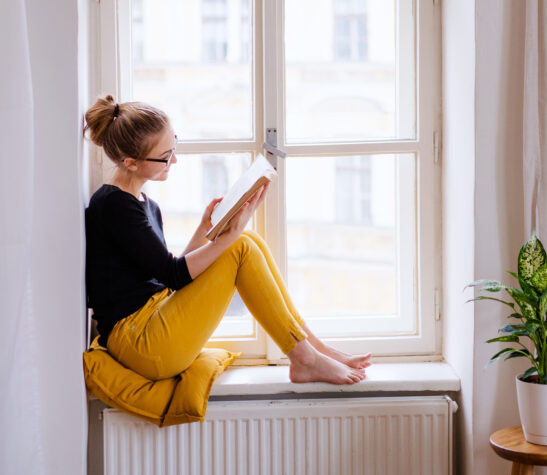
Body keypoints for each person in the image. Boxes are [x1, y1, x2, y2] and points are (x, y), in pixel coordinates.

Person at [84, 95, 371, 385]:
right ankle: (305, 359)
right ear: (131, 163)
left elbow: (163, 276)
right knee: (241, 245)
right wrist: (227, 238)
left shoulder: (142, 202)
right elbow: (173, 274)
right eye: (165, 156)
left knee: (249, 240)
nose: (175, 160)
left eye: (174, 146)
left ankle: (314, 349)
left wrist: (204, 227)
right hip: (140, 344)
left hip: (149, 322)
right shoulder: (114, 206)